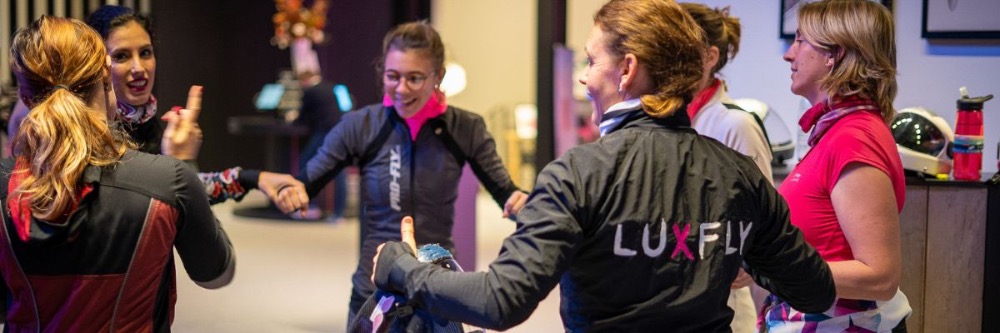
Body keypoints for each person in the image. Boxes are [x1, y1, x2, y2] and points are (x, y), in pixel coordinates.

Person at [369, 1, 836, 331]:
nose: (584, 76)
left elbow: (499, 302)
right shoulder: (741, 174)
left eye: (592, 61)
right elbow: (815, 291)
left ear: (627, 69)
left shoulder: (578, 174)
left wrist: (403, 269)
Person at [275, 21, 529, 320]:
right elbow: (309, 179)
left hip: (437, 286)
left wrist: (520, 200)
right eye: (392, 76)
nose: (401, 88)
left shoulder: (466, 128)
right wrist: (294, 190)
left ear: (438, 77)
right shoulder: (361, 125)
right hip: (373, 288)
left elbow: (505, 191)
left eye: (415, 78)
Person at [0, 16, 234, 330]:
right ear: (106, 82)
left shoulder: (5, 188)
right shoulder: (168, 181)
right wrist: (183, 166)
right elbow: (216, 273)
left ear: (27, 98)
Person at [765, 1, 911, 332]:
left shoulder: (853, 137)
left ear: (836, 54)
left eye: (801, 40)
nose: (789, 54)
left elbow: (880, 276)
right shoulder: (837, 131)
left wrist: (775, 268)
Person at [82, 5, 308, 212]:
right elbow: (151, 211)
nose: (139, 67)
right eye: (121, 56)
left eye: (145, 53)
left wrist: (256, 179)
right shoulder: (86, 135)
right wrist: (180, 162)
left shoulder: (145, 122)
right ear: (97, 65)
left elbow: (190, 188)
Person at [679, 3, 772, 332]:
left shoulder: (736, 124)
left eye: (678, 47)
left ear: (710, 57)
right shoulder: (668, 120)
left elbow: (765, 218)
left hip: (723, 304)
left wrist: (742, 263)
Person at [294, 70, 348, 220]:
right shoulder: (330, 87)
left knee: (305, 164)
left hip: (324, 133)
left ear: (304, 80)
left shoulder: (310, 91)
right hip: (340, 133)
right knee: (338, 171)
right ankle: (338, 213)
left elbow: (302, 117)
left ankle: (308, 206)